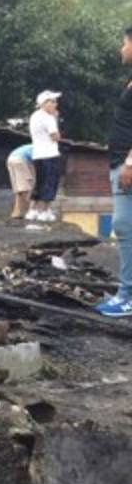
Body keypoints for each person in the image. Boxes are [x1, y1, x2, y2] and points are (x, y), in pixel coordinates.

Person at [95, 27, 132, 317]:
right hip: (121, 162)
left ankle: (127, 296)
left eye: (124, 43)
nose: (122, 48)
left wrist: (130, 163)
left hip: (126, 164)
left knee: (124, 226)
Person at [28, 91, 63, 222]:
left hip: (37, 154)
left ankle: (32, 210)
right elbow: (55, 137)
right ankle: (44, 211)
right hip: (50, 154)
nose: (55, 104)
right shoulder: (49, 118)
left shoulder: (34, 116)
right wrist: (55, 119)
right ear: (43, 104)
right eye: (52, 102)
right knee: (50, 182)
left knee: (39, 182)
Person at [6, 143, 36, 220]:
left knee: (19, 189)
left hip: (11, 159)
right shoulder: (43, 149)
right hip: (21, 159)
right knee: (26, 188)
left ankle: (17, 212)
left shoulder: (33, 146)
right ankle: (29, 211)